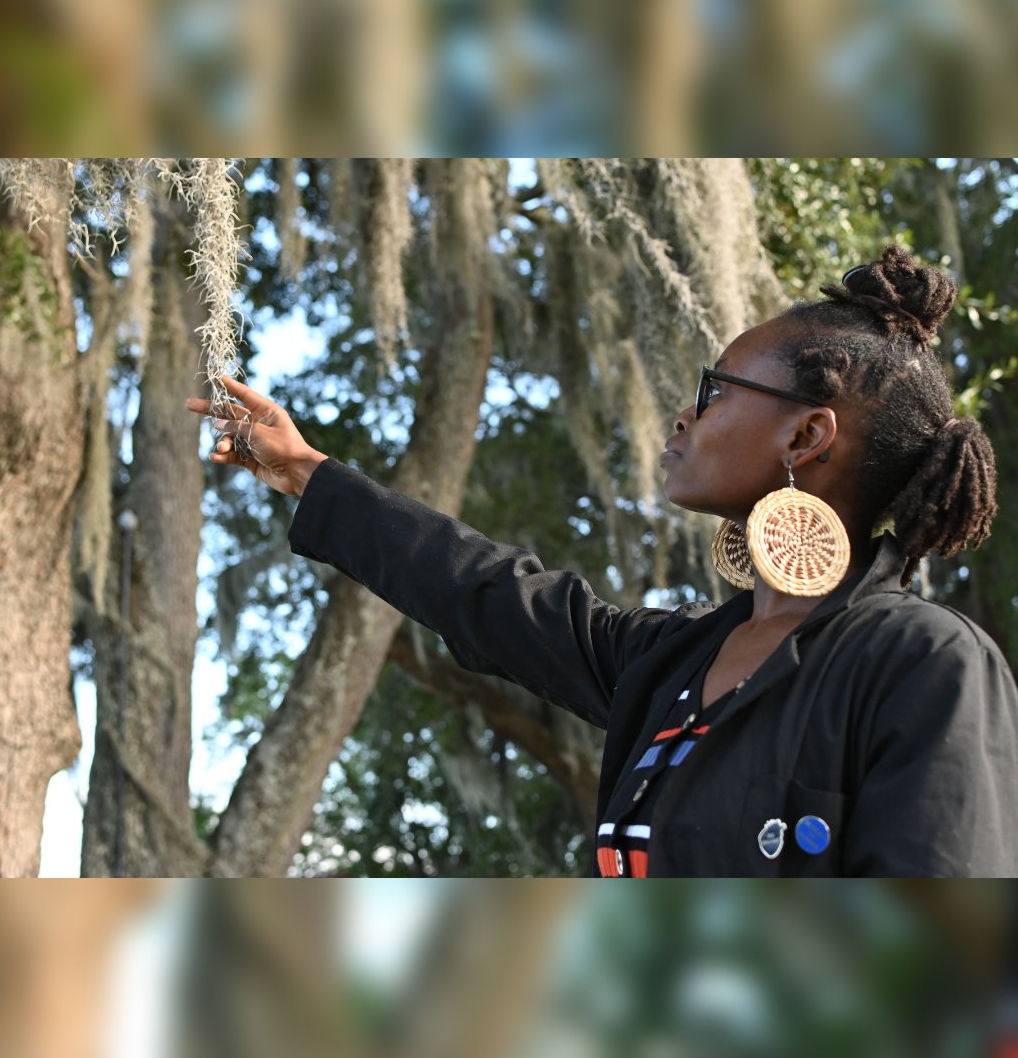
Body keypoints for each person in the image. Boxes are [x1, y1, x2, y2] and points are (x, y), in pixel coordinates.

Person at [186, 244, 1018, 877]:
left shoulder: (923, 663)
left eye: (715, 390)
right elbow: (483, 591)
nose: (682, 417)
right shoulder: (670, 659)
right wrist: (305, 472)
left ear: (805, 434)